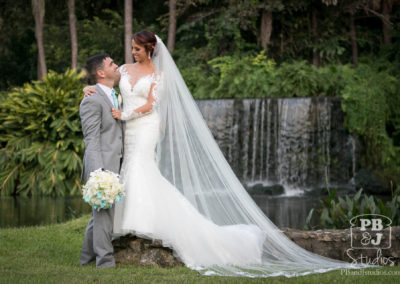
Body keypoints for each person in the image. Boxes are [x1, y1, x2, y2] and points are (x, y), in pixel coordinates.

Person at [84, 31, 376, 277]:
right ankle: (121, 226)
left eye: (137, 49)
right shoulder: (122, 69)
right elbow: (105, 84)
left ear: (150, 50)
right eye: (132, 49)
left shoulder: (159, 76)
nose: (132, 53)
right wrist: (90, 89)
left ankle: (142, 224)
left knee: (140, 168)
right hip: (127, 131)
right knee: (130, 171)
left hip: (143, 126)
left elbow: (150, 104)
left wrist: (125, 113)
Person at [79, 54, 123, 268]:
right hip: (103, 165)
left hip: (117, 162)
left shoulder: (114, 94)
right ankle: (105, 262)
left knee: (100, 215)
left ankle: (86, 258)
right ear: (101, 73)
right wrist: (98, 173)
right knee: (103, 215)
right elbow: (92, 139)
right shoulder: (92, 100)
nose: (117, 66)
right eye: (112, 64)